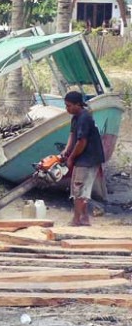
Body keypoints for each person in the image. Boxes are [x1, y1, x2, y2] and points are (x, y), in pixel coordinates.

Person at [59, 91, 105, 226]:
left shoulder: (85, 117)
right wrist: (66, 150)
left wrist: (71, 158)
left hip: (89, 158)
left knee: (79, 188)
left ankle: (76, 219)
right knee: (77, 188)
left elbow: (82, 142)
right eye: (65, 105)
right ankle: (84, 218)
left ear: (78, 104)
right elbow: (72, 135)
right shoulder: (75, 117)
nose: (66, 108)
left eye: (68, 106)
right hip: (82, 157)